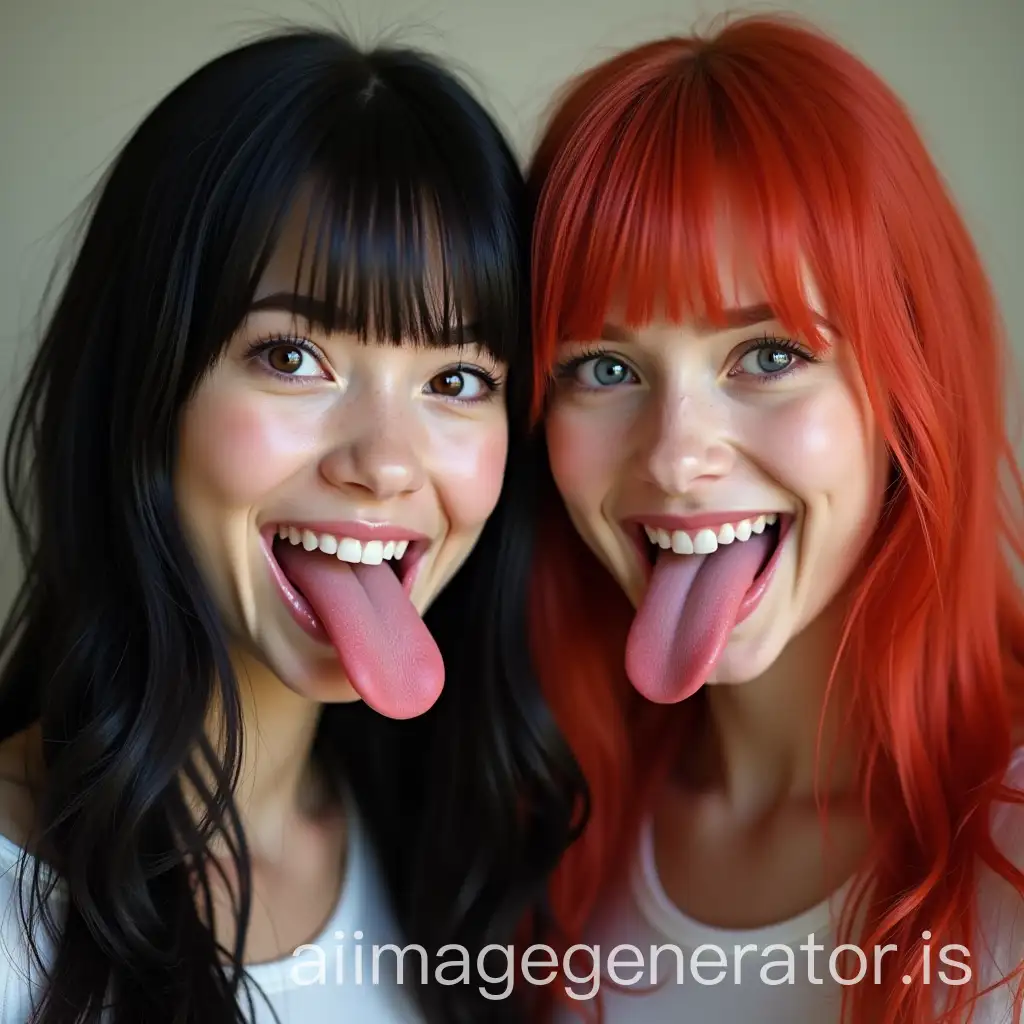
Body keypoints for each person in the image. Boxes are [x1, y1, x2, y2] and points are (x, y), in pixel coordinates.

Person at [0, 28, 581, 1024]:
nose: (387, 461)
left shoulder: (469, 864)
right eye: (292, 356)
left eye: (455, 380)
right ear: (144, 384)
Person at [525, 13, 1024, 1024]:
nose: (673, 452)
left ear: (908, 383)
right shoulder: (530, 827)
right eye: (604, 368)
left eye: (767, 354)